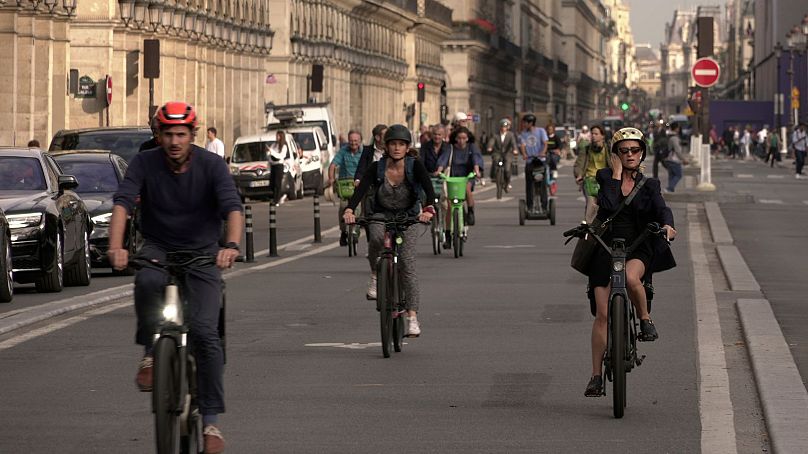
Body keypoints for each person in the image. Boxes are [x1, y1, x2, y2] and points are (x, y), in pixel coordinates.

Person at [108, 101, 243, 453]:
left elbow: (232, 207)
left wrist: (230, 245)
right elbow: (123, 202)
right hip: (159, 248)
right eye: (167, 133)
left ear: (192, 135)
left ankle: (211, 422)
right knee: (147, 282)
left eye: (181, 134)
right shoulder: (144, 162)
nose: (174, 141)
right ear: (158, 135)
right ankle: (151, 353)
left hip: (202, 254)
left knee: (204, 333)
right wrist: (116, 246)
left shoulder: (211, 165)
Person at [583, 127, 677, 397]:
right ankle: (596, 376)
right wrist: (614, 175)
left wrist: (668, 225)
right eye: (624, 151)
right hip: (606, 247)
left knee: (632, 278)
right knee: (602, 315)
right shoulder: (605, 177)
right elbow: (610, 206)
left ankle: (645, 320)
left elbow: (662, 208)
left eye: (635, 150)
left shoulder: (650, 184)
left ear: (642, 152)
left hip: (638, 245)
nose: (630, 155)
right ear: (616, 155)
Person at [342, 124, 436, 337]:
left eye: (401, 144)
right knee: (375, 238)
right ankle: (376, 274)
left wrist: (429, 209)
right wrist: (349, 209)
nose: (396, 148)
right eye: (392, 144)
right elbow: (361, 189)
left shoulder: (415, 166)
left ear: (406, 147)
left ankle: (412, 317)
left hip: (409, 217)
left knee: (407, 263)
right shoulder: (377, 167)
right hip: (380, 214)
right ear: (386, 146)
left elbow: (429, 190)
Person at [437, 126, 483, 235]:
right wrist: (439, 170)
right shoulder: (451, 148)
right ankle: (447, 233)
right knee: (449, 205)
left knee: (467, 189)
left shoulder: (472, 147)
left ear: (467, 138)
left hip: (467, 176)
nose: (461, 141)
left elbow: (476, 159)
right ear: (455, 138)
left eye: (464, 138)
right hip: (452, 177)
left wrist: (477, 170)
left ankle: (470, 211)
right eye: (459, 138)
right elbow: (444, 159)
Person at [328, 130, 363, 245]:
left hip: (358, 185)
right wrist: (331, 179)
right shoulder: (343, 151)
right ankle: (343, 232)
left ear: (360, 141)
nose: (353, 143)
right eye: (351, 141)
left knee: (358, 209)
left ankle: (356, 231)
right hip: (344, 185)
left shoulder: (364, 153)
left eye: (356, 141)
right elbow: (333, 165)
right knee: (343, 207)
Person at [573, 125, 611, 223]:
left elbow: (615, 164)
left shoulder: (608, 149)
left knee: (605, 203)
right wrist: (579, 175)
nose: (593, 136)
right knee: (590, 202)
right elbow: (579, 164)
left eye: (596, 134)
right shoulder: (586, 149)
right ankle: (588, 225)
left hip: (605, 180)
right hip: (589, 179)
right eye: (592, 134)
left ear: (602, 136)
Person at [518, 113, 550, 211]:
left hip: (540, 161)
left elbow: (545, 143)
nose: (524, 124)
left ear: (531, 123)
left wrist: (543, 153)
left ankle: (544, 206)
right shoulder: (523, 133)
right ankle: (530, 206)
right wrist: (524, 154)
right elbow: (522, 145)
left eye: (525, 122)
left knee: (543, 185)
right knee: (529, 185)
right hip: (530, 161)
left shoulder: (541, 131)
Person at [486, 118, 518, 191]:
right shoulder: (496, 135)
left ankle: (507, 182)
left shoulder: (510, 135)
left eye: (505, 127)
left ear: (508, 127)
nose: (504, 128)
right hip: (497, 153)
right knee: (495, 161)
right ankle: (494, 176)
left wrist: (515, 150)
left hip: (507, 153)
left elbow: (513, 143)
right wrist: (489, 147)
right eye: (502, 126)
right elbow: (492, 141)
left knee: (507, 168)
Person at [268, 131, 293, 206]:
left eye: (278, 136)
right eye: (276, 136)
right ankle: (280, 196)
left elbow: (281, 156)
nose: (277, 137)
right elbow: (270, 155)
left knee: (277, 183)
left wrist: (272, 152)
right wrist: (269, 152)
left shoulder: (284, 146)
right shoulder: (274, 145)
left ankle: (276, 200)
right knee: (272, 184)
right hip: (273, 165)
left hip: (279, 165)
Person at [664, 123, 686, 192]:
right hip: (674, 159)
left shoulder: (668, 136)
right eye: (678, 128)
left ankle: (670, 189)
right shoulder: (675, 138)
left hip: (668, 158)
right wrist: (683, 159)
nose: (679, 129)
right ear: (676, 128)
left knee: (672, 175)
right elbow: (677, 151)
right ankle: (669, 188)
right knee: (678, 175)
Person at [545, 124, 562, 195]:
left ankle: (554, 170)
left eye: (551, 129)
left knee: (553, 159)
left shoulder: (556, 137)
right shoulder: (545, 137)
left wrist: (557, 150)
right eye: (548, 129)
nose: (549, 131)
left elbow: (560, 145)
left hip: (553, 153)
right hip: (546, 153)